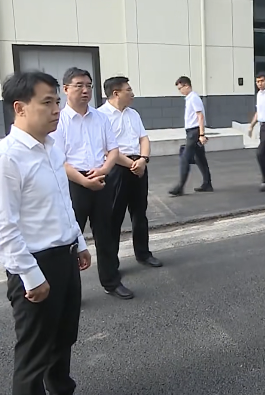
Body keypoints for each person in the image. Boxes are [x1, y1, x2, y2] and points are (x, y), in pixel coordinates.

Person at [0, 71, 92, 395]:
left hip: (66, 257)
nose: (56, 109)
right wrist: (31, 276)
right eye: (47, 103)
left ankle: (61, 389)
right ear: (20, 107)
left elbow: (62, 203)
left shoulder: (51, 148)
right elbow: (3, 229)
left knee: (63, 339)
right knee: (34, 354)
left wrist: (79, 242)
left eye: (57, 101)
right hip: (35, 264)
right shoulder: (5, 159)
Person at [51, 68, 132, 299]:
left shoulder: (100, 117)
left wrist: (104, 170)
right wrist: (85, 181)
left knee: (106, 235)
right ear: (66, 89)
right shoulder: (59, 120)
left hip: (101, 178)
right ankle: (68, 292)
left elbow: (113, 149)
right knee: (70, 239)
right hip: (74, 183)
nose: (85, 90)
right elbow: (59, 161)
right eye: (79, 85)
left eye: (88, 85)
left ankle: (111, 282)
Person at [99, 76, 162, 269]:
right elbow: (105, 148)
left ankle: (143, 254)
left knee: (140, 213)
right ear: (116, 93)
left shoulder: (133, 114)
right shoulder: (100, 116)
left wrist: (143, 159)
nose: (132, 93)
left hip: (139, 165)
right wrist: (131, 164)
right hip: (116, 168)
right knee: (114, 217)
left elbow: (144, 138)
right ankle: (111, 264)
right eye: (128, 90)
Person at [169, 76, 213, 196]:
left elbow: (200, 116)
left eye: (180, 88)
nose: (180, 91)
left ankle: (180, 187)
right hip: (191, 131)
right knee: (200, 158)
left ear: (186, 86)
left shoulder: (193, 98)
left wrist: (201, 134)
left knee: (185, 158)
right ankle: (207, 183)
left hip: (194, 132)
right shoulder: (190, 98)